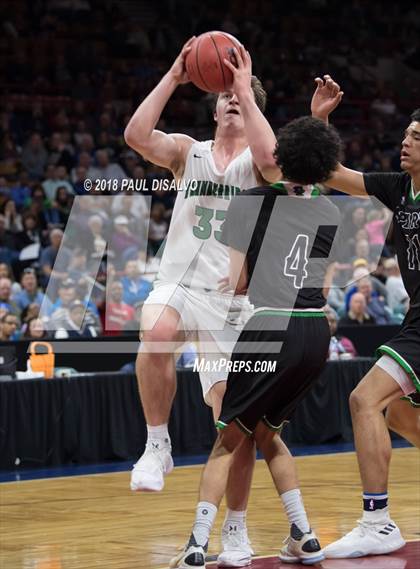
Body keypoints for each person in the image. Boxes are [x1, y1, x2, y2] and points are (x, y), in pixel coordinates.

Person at [124, 39, 279, 566]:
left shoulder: (257, 164)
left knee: (233, 423)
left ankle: (235, 530)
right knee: (157, 333)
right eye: (227, 96)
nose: (233, 102)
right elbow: (136, 135)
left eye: (241, 97)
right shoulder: (187, 153)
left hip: (229, 303)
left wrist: (246, 89)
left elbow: (272, 160)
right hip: (178, 284)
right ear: (213, 103)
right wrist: (173, 75)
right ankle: (157, 444)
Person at [173, 116, 342, 568]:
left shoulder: (249, 202)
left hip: (271, 326)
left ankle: (195, 544)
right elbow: (317, 282)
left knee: (228, 439)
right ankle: (304, 534)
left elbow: (239, 281)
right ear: (324, 164)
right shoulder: (330, 210)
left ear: (279, 156)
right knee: (269, 433)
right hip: (315, 331)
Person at [311, 76, 419, 557]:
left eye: (417, 138)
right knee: (394, 412)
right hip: (417, 320)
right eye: (405, 136)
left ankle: (377, 521)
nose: (406, 142)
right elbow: (332, 173)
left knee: (363, 400)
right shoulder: (399, 189)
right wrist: (319, 121)